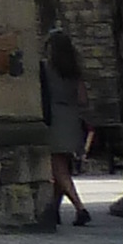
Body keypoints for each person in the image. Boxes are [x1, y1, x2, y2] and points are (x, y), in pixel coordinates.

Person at [37, 23, 91, 229]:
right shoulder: (74, 71)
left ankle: (80, 207)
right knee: (62, 167)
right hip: (72, 118)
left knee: (58, 169)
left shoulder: (45, 68)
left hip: (56, 119)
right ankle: (54, 210)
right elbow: (83, 99)